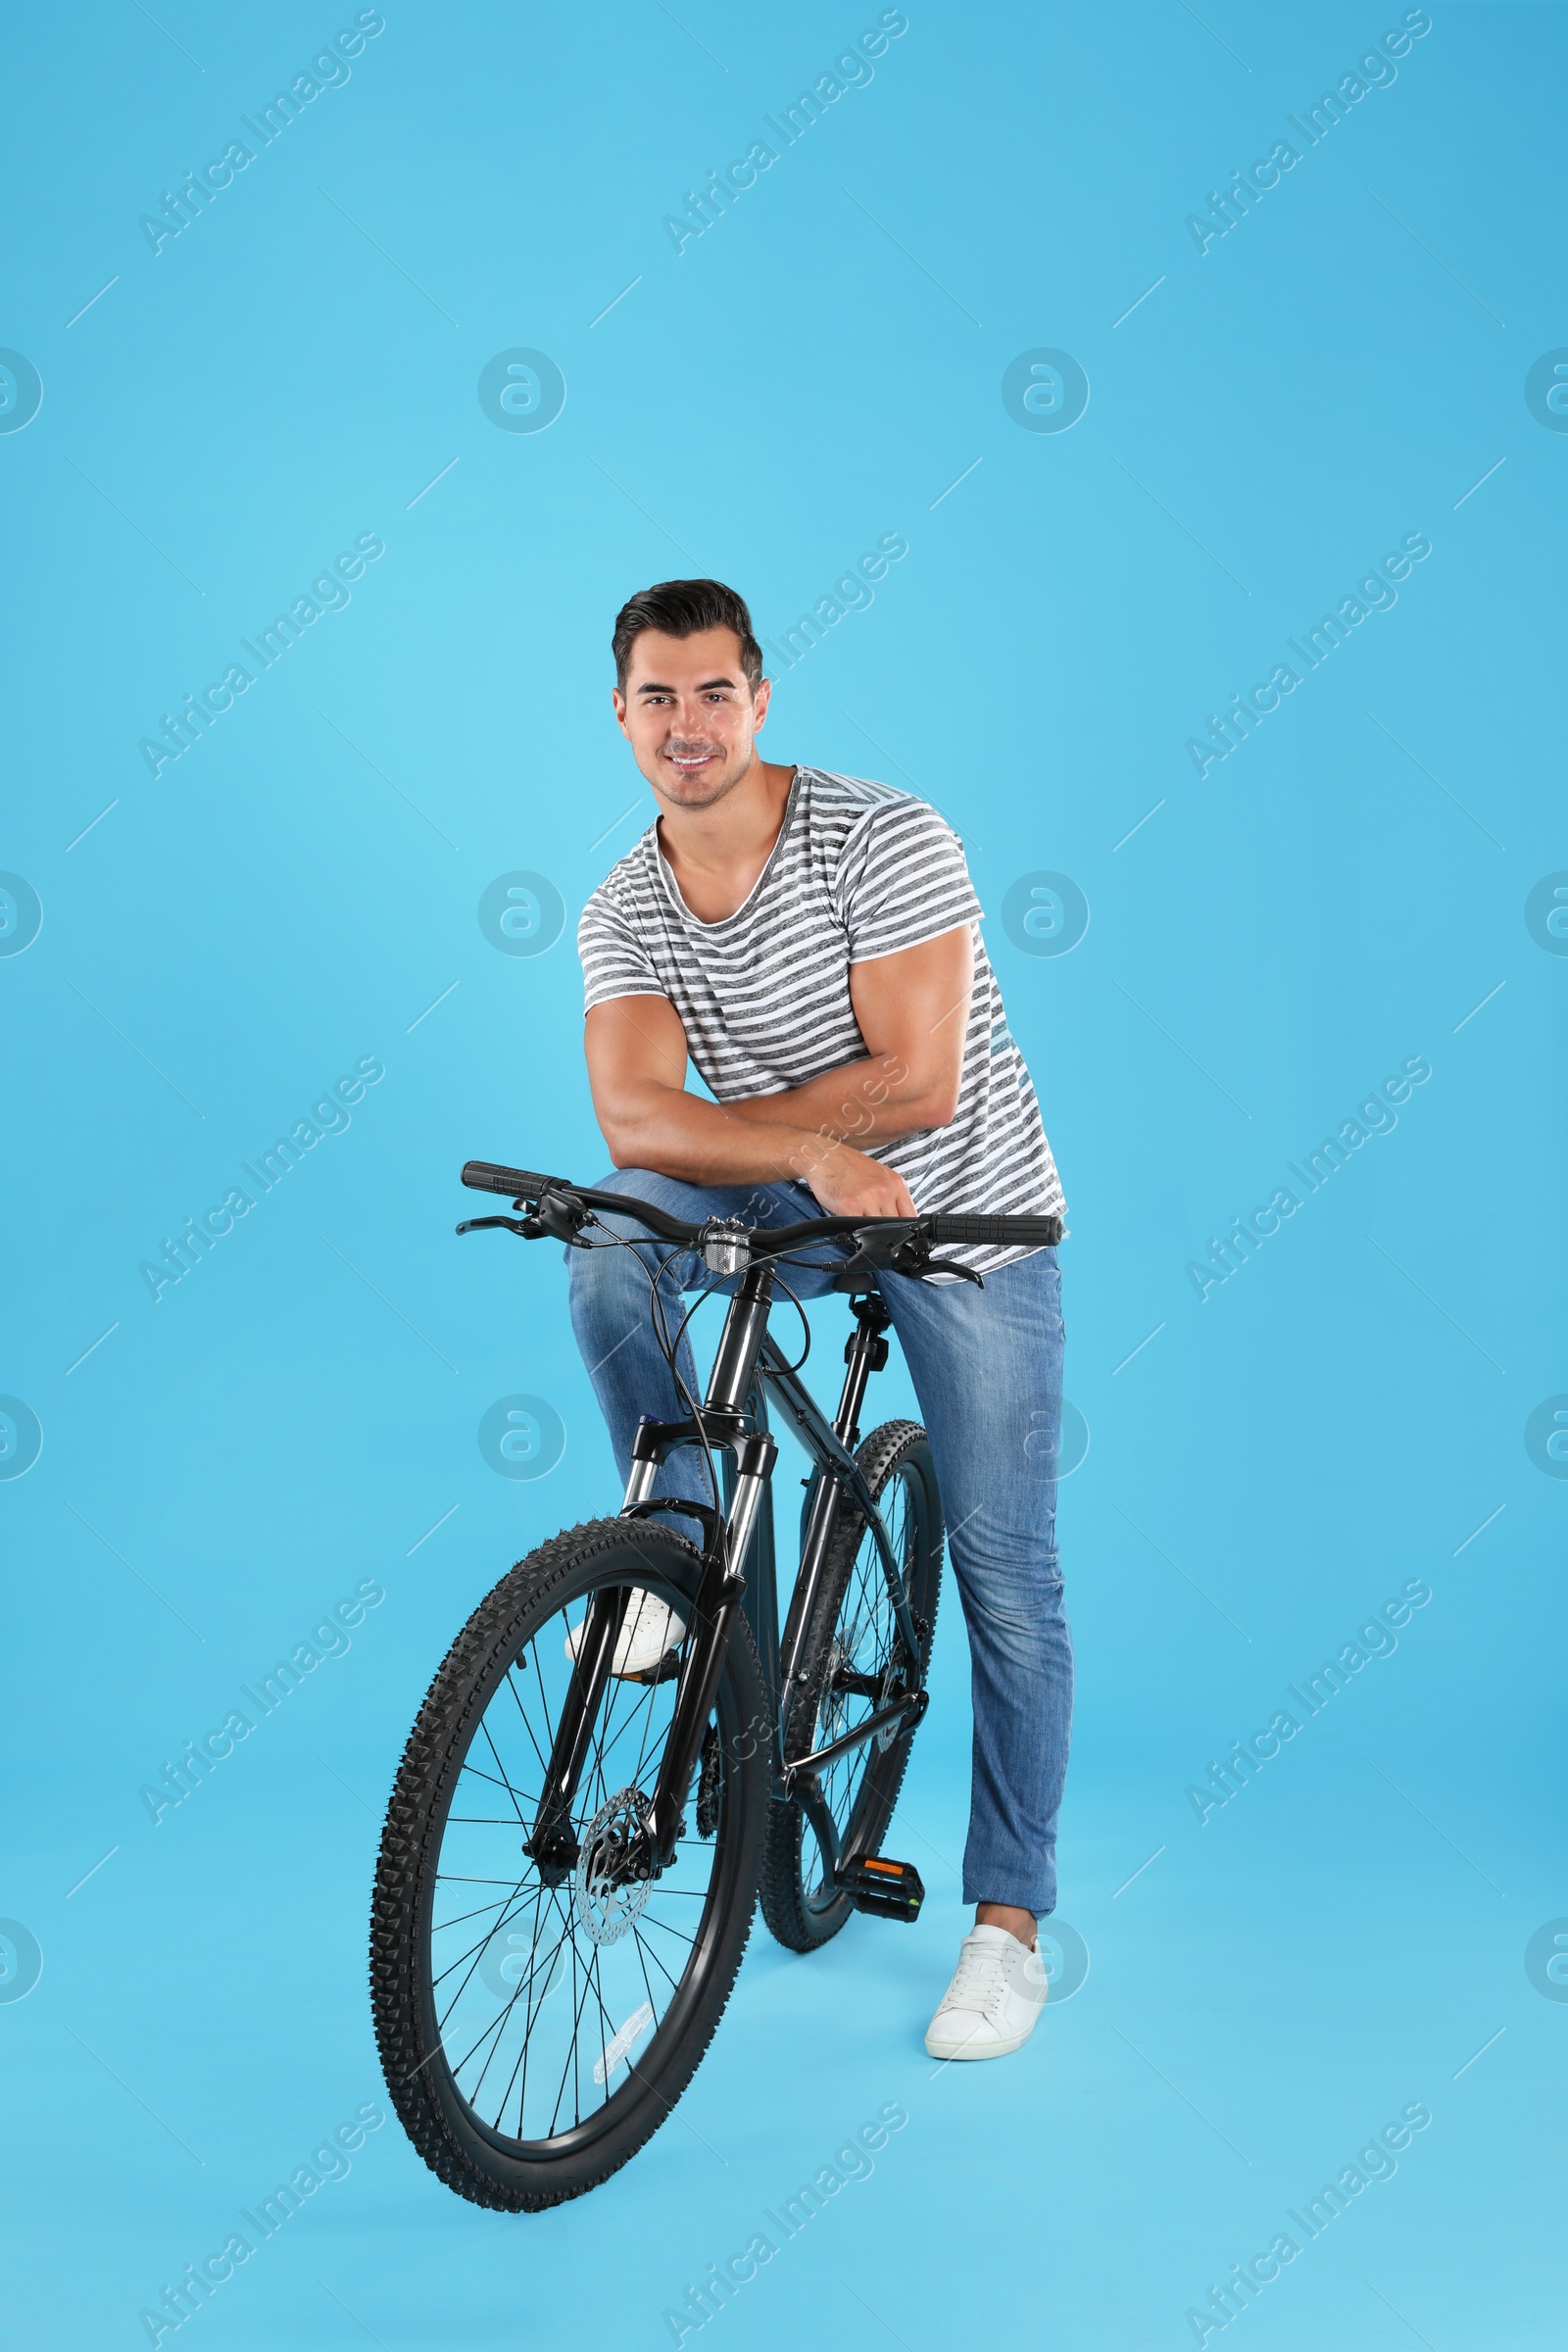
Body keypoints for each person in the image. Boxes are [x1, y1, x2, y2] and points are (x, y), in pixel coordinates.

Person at [567, 577, 1070, 2062]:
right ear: (620, 715)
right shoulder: (623, 906)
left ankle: (1010, 1924)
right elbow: (629, 1118)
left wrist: (740, 1134)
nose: (686, 725)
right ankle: (676, 1553)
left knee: (1005, 1570)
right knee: (613, 1228)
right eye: (657, 698)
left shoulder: (884, 834)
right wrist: (791, 1152)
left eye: (713, 693)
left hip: (962, 1208)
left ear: (760, 699)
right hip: (798, 1188)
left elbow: (916, 1082)